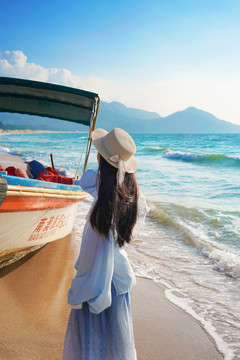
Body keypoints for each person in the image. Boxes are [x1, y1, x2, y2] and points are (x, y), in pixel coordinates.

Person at [63, 127, 143, 360]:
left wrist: (101, 164)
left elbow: (84, 180)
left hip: (97, 282)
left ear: (101, 159)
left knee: (93, 342)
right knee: (116, 342)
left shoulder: (100, 191)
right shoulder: (128, 193)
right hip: (118, 279)